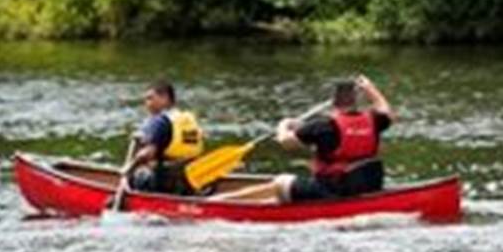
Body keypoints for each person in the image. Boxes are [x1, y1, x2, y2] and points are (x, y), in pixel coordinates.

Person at [219, 75, 395, 203]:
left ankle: (220, 202)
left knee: (281, 182)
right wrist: (371, 89)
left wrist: (283, 124)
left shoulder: (323, 125)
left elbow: (286, 142)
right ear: (358, 102)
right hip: (367, 186)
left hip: (334, 191)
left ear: (334, 102)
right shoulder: (374, 120)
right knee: (290, 185)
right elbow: (386, 111)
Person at [121, 80, 204, 195]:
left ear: (165, 98)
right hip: (188, 180)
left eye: (150, 98)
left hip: (164, 182)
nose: (147, 103)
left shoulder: (159, 121)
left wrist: (129, 168)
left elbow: (147, 154)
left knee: (140, 175)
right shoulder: (187, 119)